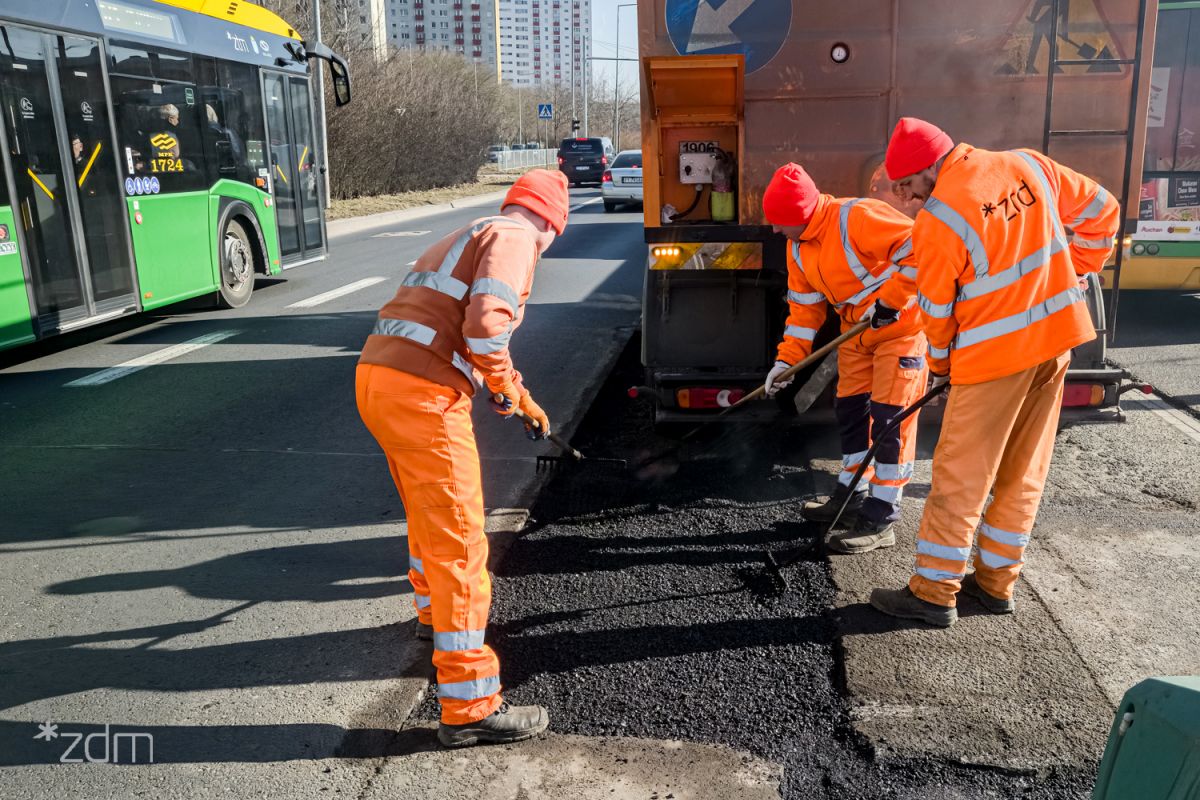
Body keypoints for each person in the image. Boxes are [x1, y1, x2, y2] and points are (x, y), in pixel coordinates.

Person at [869, 117, 1119, 627]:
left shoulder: (939, 220)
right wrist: (1075, 268)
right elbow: (1104, 211)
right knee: (1023, 471)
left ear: (929, 168)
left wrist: (940, 368)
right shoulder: (1028, 164)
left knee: (961, 476)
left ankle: (934, 592)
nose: (910, 199)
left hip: (992, 362)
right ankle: (995, 583)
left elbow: (936, 314)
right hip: (1056, 345)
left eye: (909, 187)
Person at [355, 169, 569, 746]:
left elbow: (464, 332)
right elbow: (484, 331)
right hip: (423, 394)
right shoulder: (518, 237)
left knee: (429, 514)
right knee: (461, 539)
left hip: (380, 381)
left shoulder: (471, 231)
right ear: (552, 222)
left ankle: (431, 616)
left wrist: (514, 393)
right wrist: (501, 385)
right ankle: (471, 704)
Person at [761, 163, 928, 553]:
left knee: (890, 421)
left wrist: (890, 301)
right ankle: (852, 494)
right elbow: (804, 313)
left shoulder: (858, 217)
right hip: (856, 334)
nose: (774, 230)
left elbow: (923, 250)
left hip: (900, 330)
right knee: (852, 414)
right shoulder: (797, 247)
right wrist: (786, 363)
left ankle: (881, 515)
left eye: (779, 222)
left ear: (801, 215)